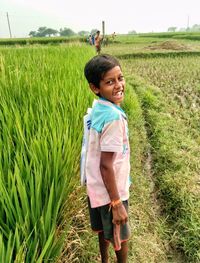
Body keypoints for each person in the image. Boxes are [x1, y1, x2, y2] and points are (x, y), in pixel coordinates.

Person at [84, 54, 131, 263]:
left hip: (96, 188)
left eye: (120, 78)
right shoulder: (113, 118)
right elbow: (106, 165)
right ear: (95, 88)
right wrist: (117, 202)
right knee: (120, 233)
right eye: (110, 82)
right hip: (111, 192)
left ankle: (104, 260)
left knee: (104, 229)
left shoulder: (99, 107)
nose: (118, 85)